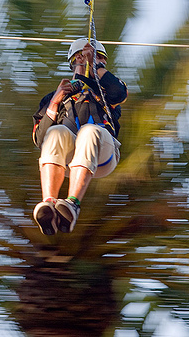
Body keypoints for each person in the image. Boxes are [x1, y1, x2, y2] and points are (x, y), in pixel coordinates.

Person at [32, 38, 127, 235]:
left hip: (103, 154)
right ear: (73, 61)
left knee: (89, 131)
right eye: (80, 59)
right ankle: (49, 202)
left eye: (91, 58)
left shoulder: (106, 90)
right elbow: (40, 139)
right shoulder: (54, 97)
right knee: (55, 132)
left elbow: (119, 93)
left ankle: (73, 204)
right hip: (70, 161)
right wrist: (55, 102)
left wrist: (95, 67)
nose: (84, 62)